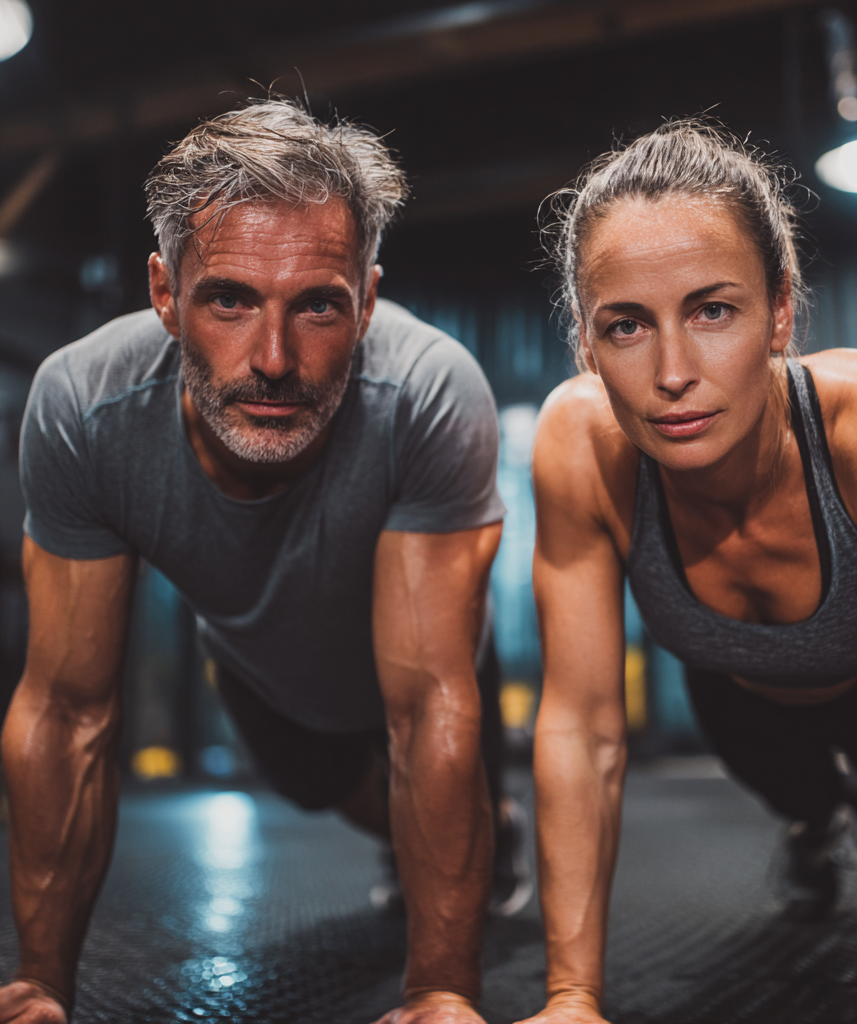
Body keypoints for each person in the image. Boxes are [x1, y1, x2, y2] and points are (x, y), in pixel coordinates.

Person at [0, 98, 529, 1024]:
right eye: (230, 300)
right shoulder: (85, 407)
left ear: (365, 300)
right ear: (166, 294)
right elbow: (67, 710)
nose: (274, 359)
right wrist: (41, 984)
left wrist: (442, 990)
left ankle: (488, 838)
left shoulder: (429, 392)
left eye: (319, 305)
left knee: (442, 785)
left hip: (424, 660)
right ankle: (464, 840)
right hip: (261, 669)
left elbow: (425, 705)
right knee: (318, 782)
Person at [524, 120, 857, 1024]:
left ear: (780, 309)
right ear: (587, 345)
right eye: (627, 326)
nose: (673, 372)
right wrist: (571, 998)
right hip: (738, 698)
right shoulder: (577, 446)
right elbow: (580, 730)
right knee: (796, 792)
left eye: (713, 310)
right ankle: (816, 822)